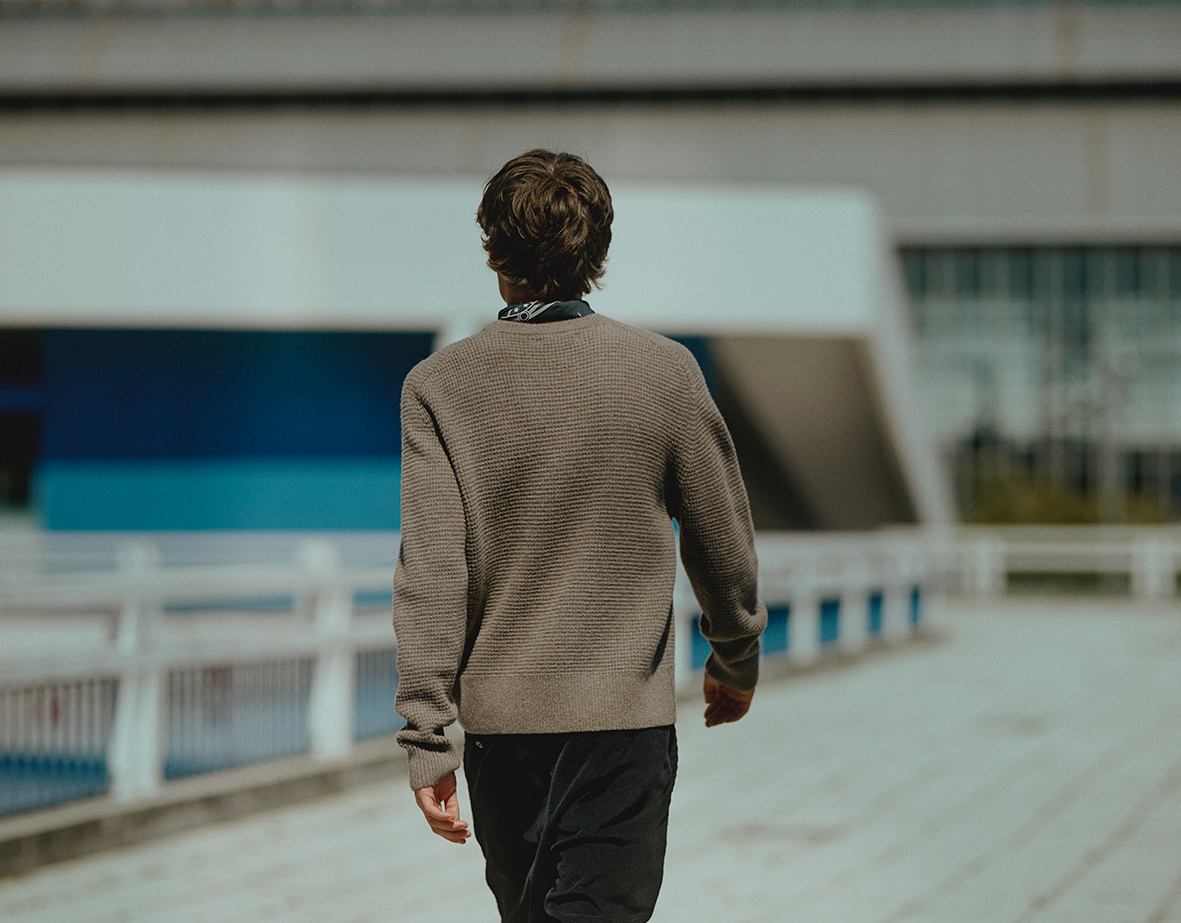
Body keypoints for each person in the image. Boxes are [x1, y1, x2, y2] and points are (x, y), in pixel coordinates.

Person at [392, 149, 767, 923]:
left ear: (493, 252)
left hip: (500, 737)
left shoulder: (438, 386)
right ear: (597, 252)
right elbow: (721, 540)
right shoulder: (663, 372)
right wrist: (735, 657)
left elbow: (431, 571)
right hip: (622, 726)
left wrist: (427, 737)